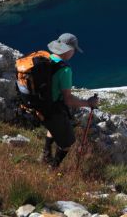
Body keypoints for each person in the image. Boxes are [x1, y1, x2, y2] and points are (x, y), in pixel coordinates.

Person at [40, 33, 98, 168]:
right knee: (67, 142)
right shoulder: (64, 70)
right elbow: (68, 99)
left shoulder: (45, 59)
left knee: (53, 126)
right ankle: (53, 169)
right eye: (74, 50)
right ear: (69, 50)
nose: (74, 53)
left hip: (38, 104)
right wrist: (88, 103)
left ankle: (45, 153)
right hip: (52, 107)